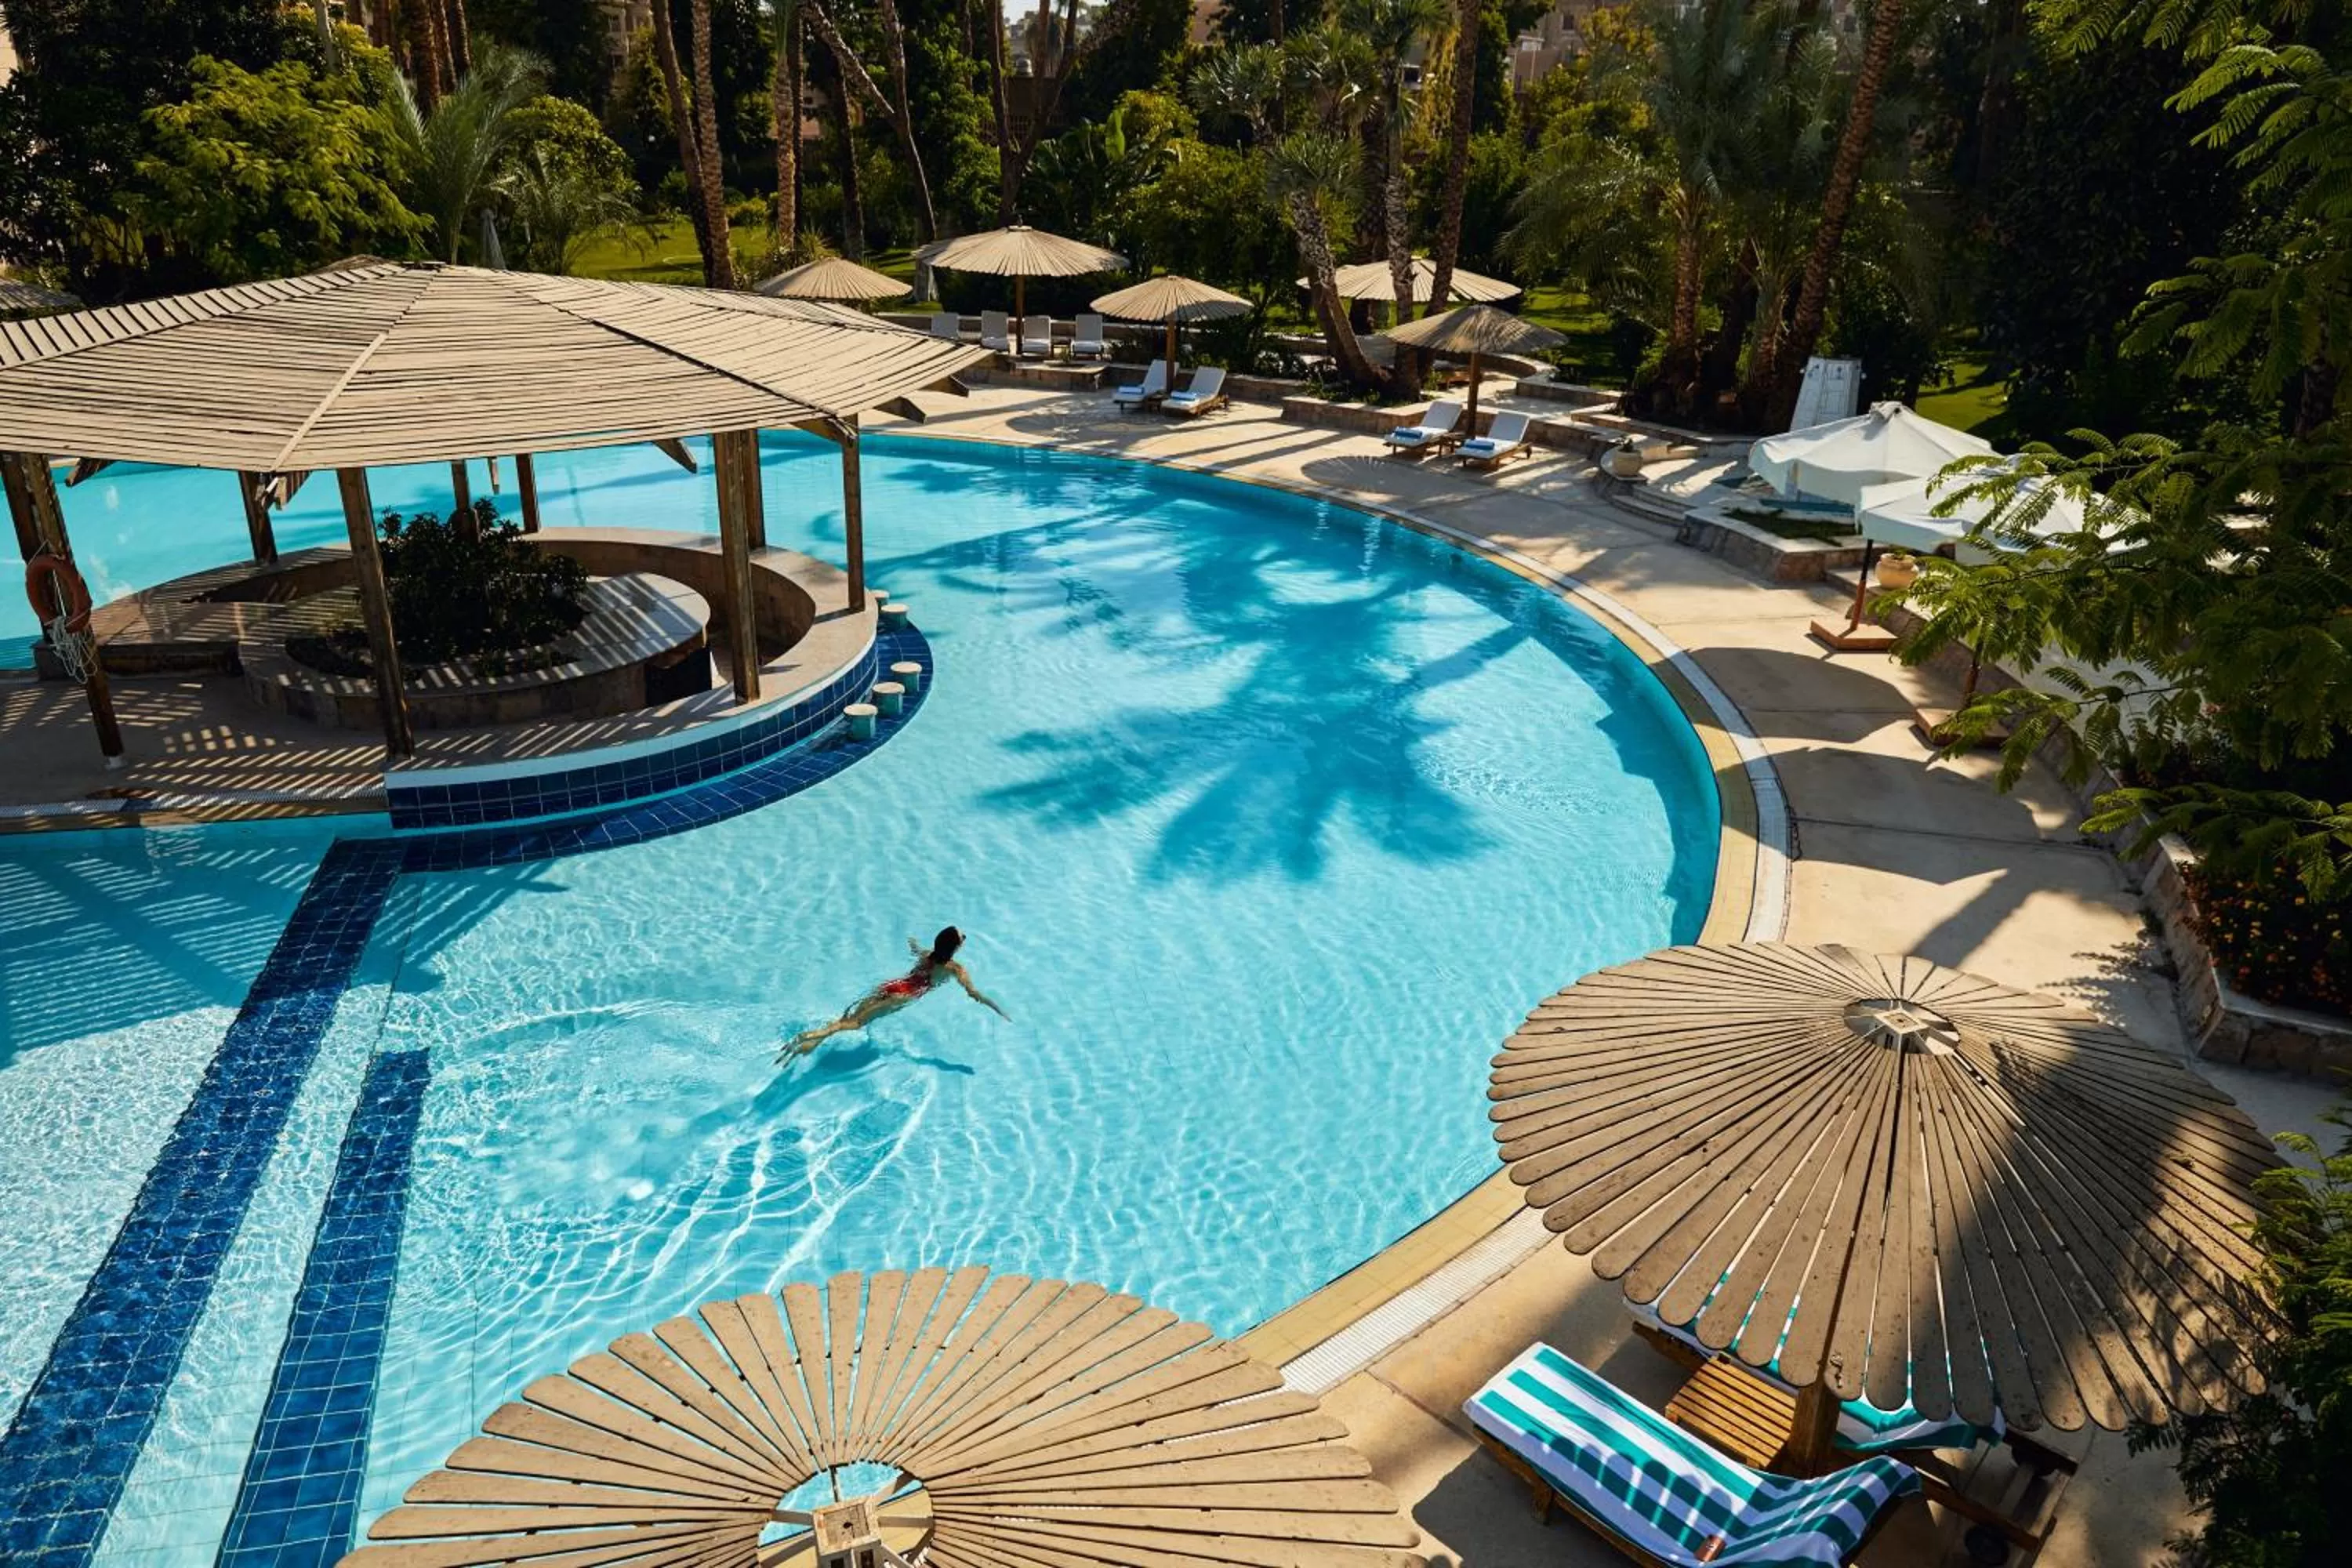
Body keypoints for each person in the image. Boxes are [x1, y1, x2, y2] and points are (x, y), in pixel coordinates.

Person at [782, 927, 1009, 1058]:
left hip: (894, 985)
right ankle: (810, 1036)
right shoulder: (956, 969)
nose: (964, 939)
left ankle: (813, 1043)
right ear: (956, 947)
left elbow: (916, 951)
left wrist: (912, 941)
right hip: (903, 996)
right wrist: (996, 1007)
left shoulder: (927, 955)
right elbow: (974, 994)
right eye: (962, 938)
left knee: (850, 1017)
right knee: (856, 1023)